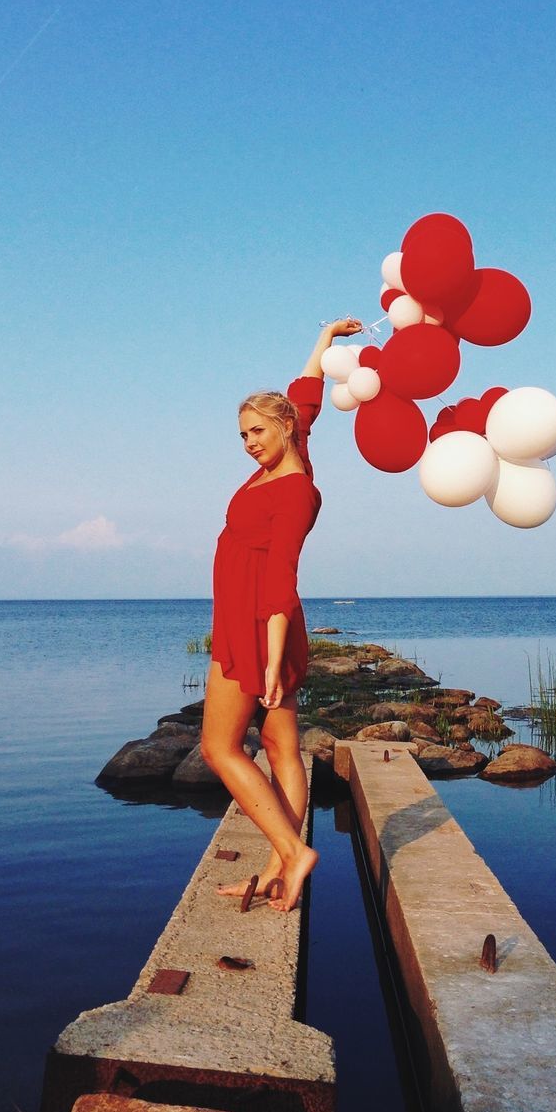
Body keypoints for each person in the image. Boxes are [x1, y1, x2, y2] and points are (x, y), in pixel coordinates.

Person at [200, 317, 362, 912]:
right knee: (279, 746)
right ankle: (278, 866)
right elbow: (309, 393)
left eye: (258, 431)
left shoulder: (293, 490)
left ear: (285, 428)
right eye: (243, 434)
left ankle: (294, 855)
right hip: (257, 623)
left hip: (258, 627)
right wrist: (325, 339)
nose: (249, 443)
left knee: (219, 748)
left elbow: (279, 581)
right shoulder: (294, 454)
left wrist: (269, 663)